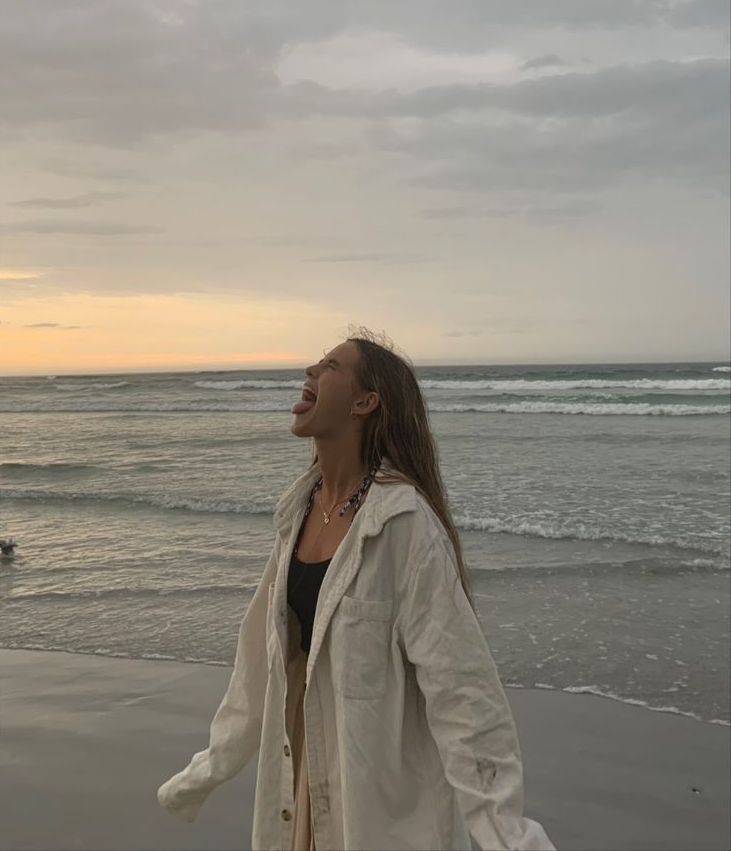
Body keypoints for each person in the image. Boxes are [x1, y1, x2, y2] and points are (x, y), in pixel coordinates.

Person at [157, 326, 555, 851]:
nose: (310, 371)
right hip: (297, 793)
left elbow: (464, 697)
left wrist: (508, 836)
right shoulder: (298, 511)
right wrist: (209, 769)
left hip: (377, 815)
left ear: (365, 402)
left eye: (329, 366)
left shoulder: (404, 526)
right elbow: (258, 661)